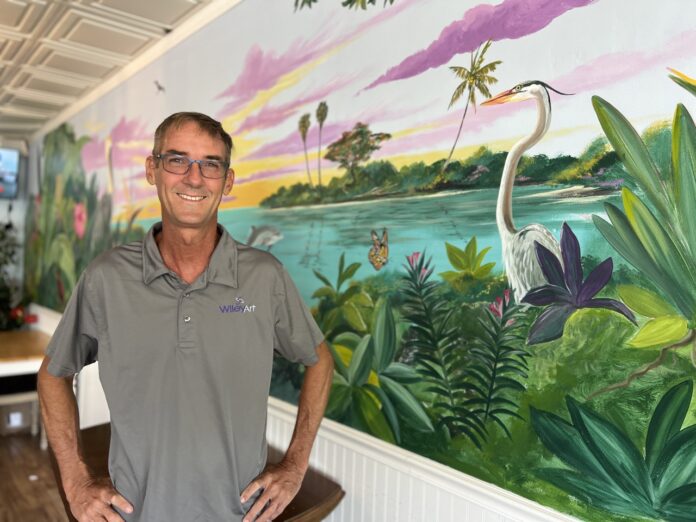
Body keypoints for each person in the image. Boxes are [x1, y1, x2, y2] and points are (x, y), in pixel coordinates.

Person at [37, 112, 334, 522]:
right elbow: (53, 374)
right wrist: (75, 481)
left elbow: (319, 360)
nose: (194, 178)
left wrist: (295, 466)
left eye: (211, 164)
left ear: (227, 182)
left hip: (241, 514)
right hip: (132, 514)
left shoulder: (264, 277)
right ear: (152, 170)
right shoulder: (106, 278)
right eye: (177, 160)